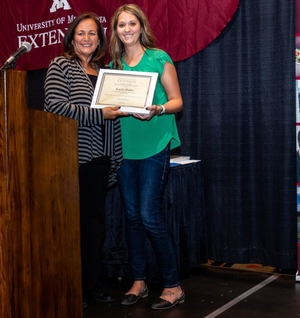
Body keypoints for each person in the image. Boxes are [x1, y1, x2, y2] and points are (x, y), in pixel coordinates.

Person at [44, 12, 127, 306]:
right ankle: (75, 288)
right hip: (73, 158)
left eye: (92, 34)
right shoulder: (61, 65)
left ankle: (91, 286)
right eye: (81, 33)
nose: (87, 38)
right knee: (74, 226)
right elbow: (53, 106)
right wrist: (98, 114)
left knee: (94, 227)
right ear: (71, 37)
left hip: (101, 159)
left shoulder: (105, 72)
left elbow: (115, 115)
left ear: (100, 40)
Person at [109, 4, 184, 310]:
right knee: (131, 217)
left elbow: (177, 101)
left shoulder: (159, 58)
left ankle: (173, 286)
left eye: (131, 24)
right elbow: (110, 106)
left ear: (141, 26)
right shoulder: (113, 66)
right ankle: (138, 282)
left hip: (155, 143)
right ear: (115, 31)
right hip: (125, 149)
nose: (126, 29)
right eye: (120, 25)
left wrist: (158, 108)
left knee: (149, 214)